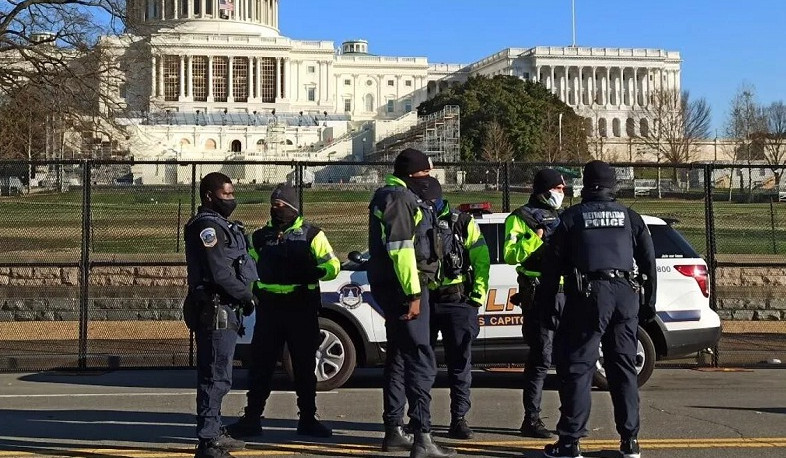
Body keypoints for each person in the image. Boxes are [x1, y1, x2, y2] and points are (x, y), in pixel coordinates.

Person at [537, 160, 657, 458]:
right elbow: (648, 262)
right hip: (625, 295)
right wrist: (649, 304)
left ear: (585, 185)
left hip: (588, 296)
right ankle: (630, 441)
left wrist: (547, 304)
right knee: (623, 369)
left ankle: (570, 443)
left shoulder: (572, 218)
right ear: (612, 185)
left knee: (579, 368)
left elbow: (552, 266)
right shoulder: (630, 217)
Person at [226, 184, 340, 439]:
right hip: (270, 309)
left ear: (292, 207)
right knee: (261, 366)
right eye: (273, 205)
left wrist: (316, 271)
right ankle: (252, 418)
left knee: (304, 366)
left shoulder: (312, 234)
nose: (276, 209)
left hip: (301, 306)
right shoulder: (260, 237)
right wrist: (251, 292)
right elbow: (248, 268)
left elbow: (333, 265)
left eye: (281, 205)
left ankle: (308, 419)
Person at [367, 148, 456, 458]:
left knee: (399, 357)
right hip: (406, 287)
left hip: (396, 286)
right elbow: (402, 251)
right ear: (411, 173)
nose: (429, 178)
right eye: (424, 173)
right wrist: (414, 294)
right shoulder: (400, 199)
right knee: (420, 359)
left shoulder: (391, 195)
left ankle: (394, 430)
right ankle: (422, 437)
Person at [183, 172, 258, 458]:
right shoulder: (207, 228)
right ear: (209, 196)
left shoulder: (223, 225)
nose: (231, 199)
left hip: (227, 308)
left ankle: (213, 431)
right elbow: (219, 272)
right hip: (216, 309)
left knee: (220, 376)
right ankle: (208, 441)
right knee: (215, 377)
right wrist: (245, 295)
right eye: (226, 194)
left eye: (232, 194)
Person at [420, 177, 490, 440]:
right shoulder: (416, 220)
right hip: (426, 298)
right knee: (421, 364)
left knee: (460, 363)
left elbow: (481, 259)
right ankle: (420, 421)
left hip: (458, 301)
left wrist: (477, 296)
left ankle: (459, 418)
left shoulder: (462, 222)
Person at [503, 168, 566, 439]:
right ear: (544, 190)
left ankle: (569, 419)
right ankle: (531, 419)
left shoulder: (564, 217)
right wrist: (535, 238)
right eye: (558, 188)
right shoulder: (519, 218)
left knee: (568, 359)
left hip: (565, 293)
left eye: (563, 189)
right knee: (541, 358)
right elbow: (510, 254)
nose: (562, 193)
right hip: (539, 294)